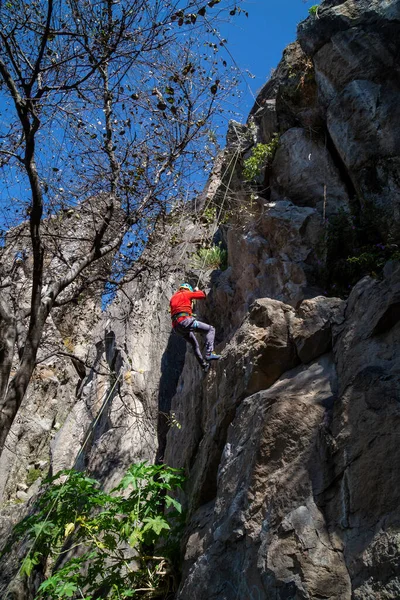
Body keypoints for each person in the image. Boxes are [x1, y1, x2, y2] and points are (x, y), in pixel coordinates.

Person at [170, 283, 221, 372]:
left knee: (195, 345)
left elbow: (180, 307)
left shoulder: (173, 298)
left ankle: (204, 366)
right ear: (187, 289)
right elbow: (202, 295)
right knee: (211, 329)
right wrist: (196, 291)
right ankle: (209, 353)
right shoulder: (186, 293)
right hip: (185, 321)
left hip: (177, 327)